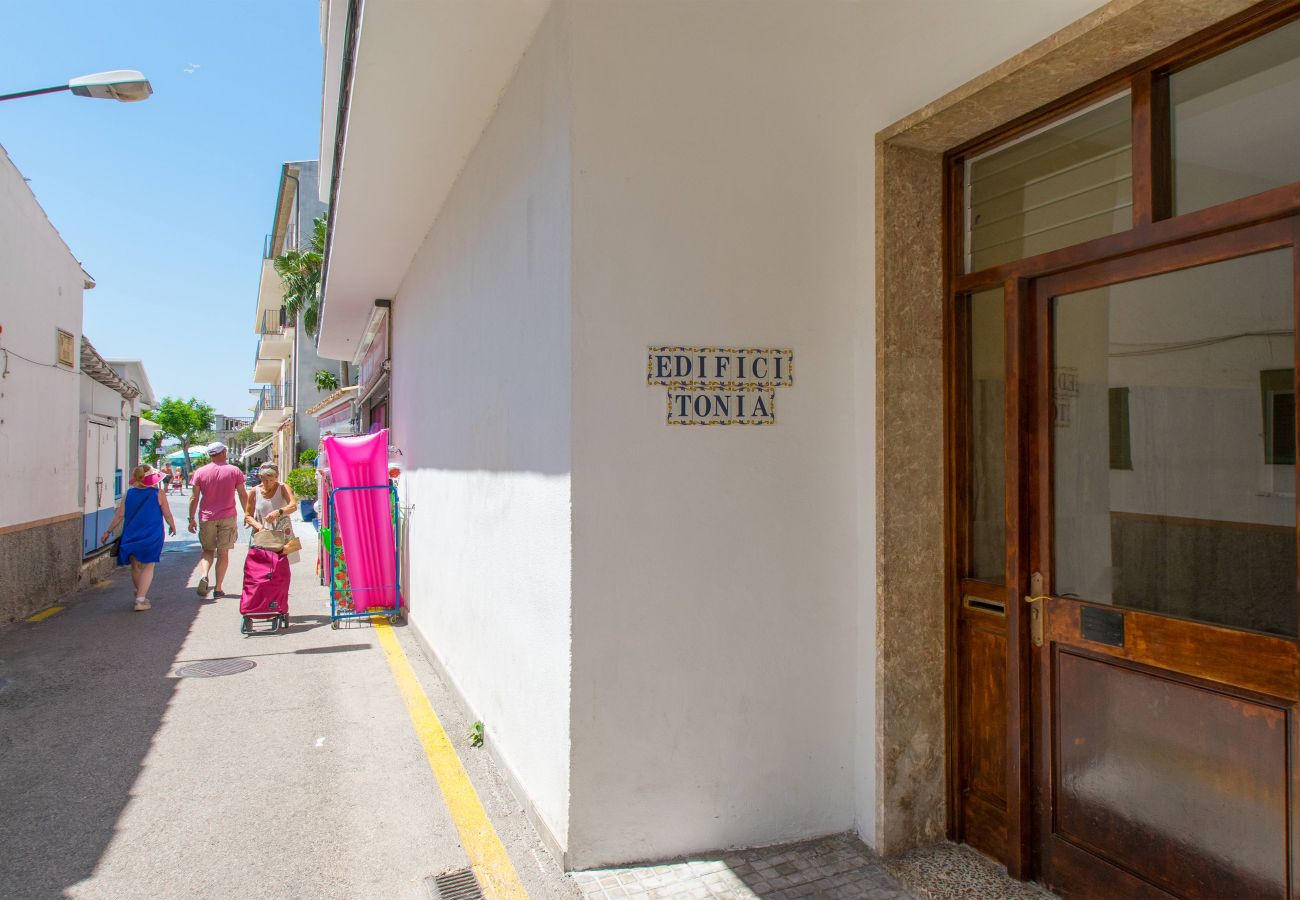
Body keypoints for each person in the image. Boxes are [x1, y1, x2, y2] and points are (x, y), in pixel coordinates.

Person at [101, 465, 177, 611]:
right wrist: (172, 525)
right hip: (152, 534)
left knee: (135, 566)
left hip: (131, 533)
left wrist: (108, 531)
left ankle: (140, 594)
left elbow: (119, 515)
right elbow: (167, 514)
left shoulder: (128, 494)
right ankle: (140, 600)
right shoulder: (158, 493)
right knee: (149, 565)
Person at [188, 441, 250, 599]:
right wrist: (248, 514)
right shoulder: (234, 471)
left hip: (207, 517)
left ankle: (203, 574)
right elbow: (243, 494)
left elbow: (194, 497)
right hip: (228, 517)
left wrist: (191, 519)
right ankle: (218, 587)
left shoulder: (200, 472)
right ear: (223, 452)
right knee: (223, 553)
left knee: (207, 550)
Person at [241, 464, 299, 619]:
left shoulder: (282, 487)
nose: (268, 484)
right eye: (265, 480)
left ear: (276, 478)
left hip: (282, 534)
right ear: (260, 478)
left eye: (271, 480)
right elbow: (247, 515)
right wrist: (258, 526)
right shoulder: (254, 492)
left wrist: (279, 512)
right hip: (262, 536)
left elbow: (293, 505)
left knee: (280, 570)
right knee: (261, 571)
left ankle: (278, 602)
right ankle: (262, 603)